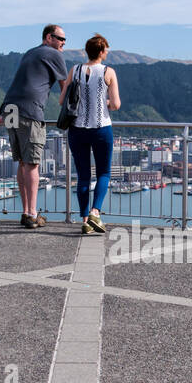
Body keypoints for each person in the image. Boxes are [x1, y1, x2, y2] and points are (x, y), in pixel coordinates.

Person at [0, 25, 68, 229]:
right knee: (32, 162)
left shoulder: (30, 53)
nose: (63, 43)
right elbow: (65, 89)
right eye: (60, 38)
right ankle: (32, 214)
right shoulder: (54, 54)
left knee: (22, 162)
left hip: (10, 109)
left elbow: (21, 83)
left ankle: (26, 211)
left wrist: (3, 115)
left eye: (64, 40)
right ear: (48, 37)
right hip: (29, 111)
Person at [58, 33, 120, 235]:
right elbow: (116, 104)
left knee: (83, 176)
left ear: (87, 51)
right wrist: (104, 102)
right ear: (101, 52)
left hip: (77, 129)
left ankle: (85, 220)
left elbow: (62, 101)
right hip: (101, 128)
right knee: (103, 172)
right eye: (106, 51)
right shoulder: (108, 72)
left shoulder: (74, 70)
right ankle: (95, 212)